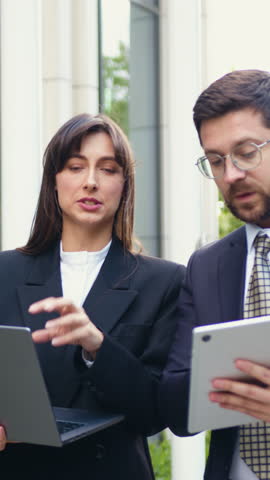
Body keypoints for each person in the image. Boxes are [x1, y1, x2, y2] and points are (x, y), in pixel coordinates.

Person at [0, 112, 185, 479]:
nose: (90, 182)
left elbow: (156, 413)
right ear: (54, 181)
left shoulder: (165, 281)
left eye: (108, 169)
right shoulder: (5, 273)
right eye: (75, 166)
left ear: (124, 186)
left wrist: (98, 346)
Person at [159, 69, 270, 480]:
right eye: (216, 160)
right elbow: (176, 412)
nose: (231, 174)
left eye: (246, 151)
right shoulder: (206, 266)